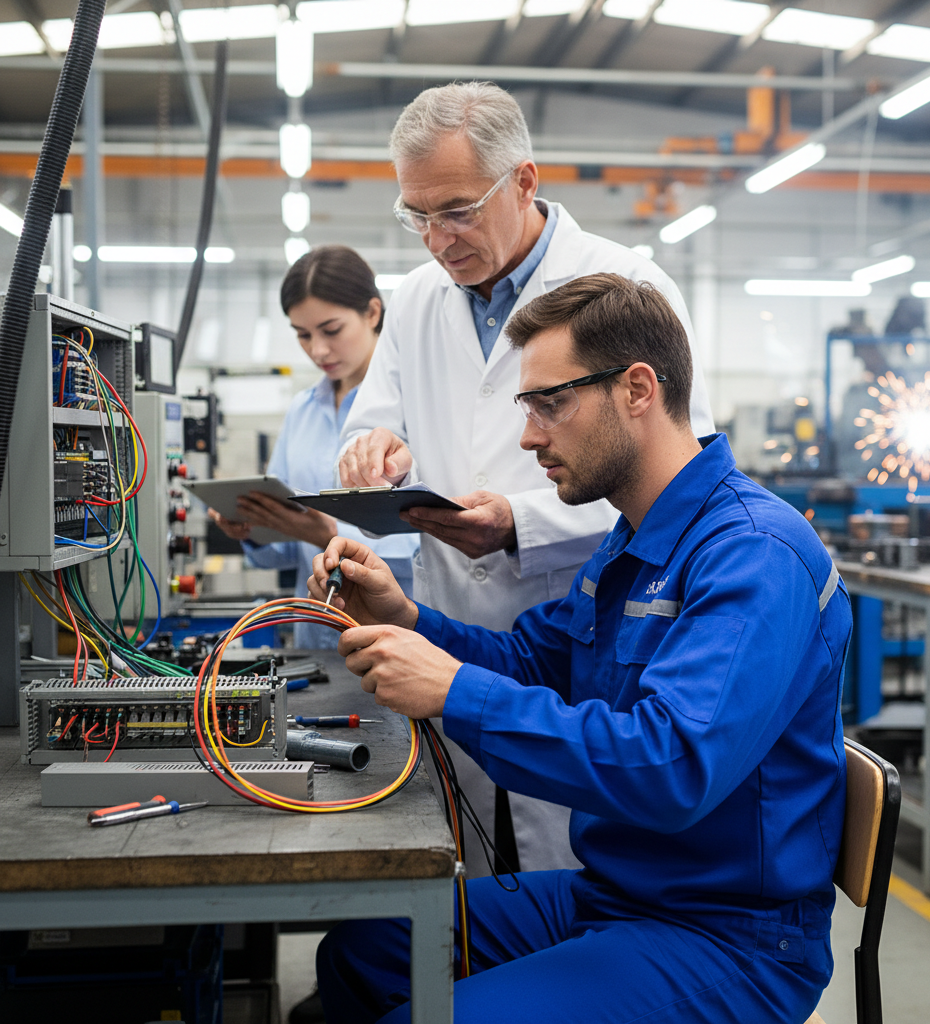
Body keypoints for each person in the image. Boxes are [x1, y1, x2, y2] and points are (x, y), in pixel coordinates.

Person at [309, 274, 851, 1024]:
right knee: (361, 950)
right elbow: (538, 662)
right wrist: (404, 618)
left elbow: (673, 766)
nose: (529, 436)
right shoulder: (635, 537)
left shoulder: (752, 555)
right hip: (619, 892)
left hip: (728, 936)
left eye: (549, 404)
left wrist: (454, 691)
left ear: (637, 389)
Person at [335, 82, 715, 874]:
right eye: (418, 215)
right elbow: (379, 416)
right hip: (450, 611)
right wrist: (375, 446)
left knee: (574, 859)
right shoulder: (413, 301)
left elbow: (680, 472)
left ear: (524, 182)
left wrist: (523, 520)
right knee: (457, 858)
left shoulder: (623, 286)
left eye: (458, 209)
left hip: (578, 616)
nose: (438, 239)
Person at [208, 245, 418, 650]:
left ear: (373, 313)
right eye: (303, 335)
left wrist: (329, 533)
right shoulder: (303, 411)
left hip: (395, 635)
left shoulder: (412, 402)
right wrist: (254, 528)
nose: (317, 350)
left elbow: (435, 539)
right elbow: (286, 555)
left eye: (331, 330)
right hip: (316, 638)